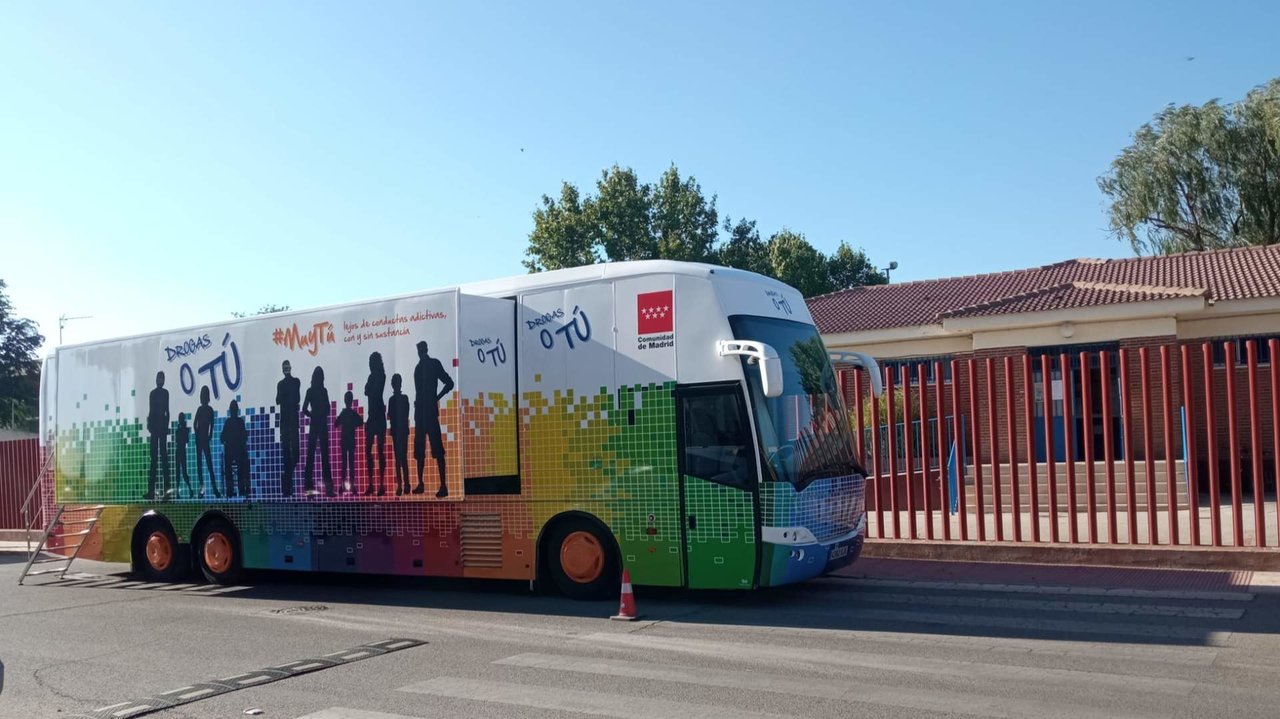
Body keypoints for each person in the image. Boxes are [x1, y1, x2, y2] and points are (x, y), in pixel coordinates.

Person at [411, 341, 455, 498]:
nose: (420, 353)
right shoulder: (421, 367)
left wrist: (437, 397)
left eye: (421, 350)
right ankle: (423, 483)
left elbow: (449, 382)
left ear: (423, 350)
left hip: (427, 413)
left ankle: (442, 485)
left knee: (435, 449)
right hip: (422, 414)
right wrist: (435, 398)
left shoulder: (429, 365)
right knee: (422, 450)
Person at [302, 366, 334, 497]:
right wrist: (321, 413)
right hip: (321, 424)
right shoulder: (323, 390)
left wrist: (312, 414)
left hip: (315, 423)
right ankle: (328, 490)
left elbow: (304, 409)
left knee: (311, 456)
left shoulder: (310, 391)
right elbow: (328, 407)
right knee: (324, 457)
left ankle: (309, 489)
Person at [276, 360, 301, 497]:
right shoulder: (281, 384)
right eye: (283, 367)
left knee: (296, 455)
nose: (285, 369)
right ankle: (287, 488)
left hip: (291, 422)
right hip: (285, 424)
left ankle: (286, 477)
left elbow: (296, 398)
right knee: (287, 457)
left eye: (287, 367)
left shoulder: (295, 382)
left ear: (290, 368)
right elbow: (278, 400)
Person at [363, 352, 387, 496]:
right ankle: (372, 484)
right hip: (372, 417)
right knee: (368, 450)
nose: (370, 364)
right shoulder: (372, 377)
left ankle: (382, 484)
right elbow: (367, 391)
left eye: (372, 362)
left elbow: (373, 392)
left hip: (378, 416)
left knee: (379, 450)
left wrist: (369, 390)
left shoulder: (380, 376)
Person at [144, 371, 170, 501]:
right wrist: (149, 424)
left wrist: (166, 426)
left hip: (161, 428)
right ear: (156, 380)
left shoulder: (165, 393)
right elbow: (151, 410)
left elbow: (167, 411)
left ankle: (167, 492)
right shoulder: (153, 393)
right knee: (154, 460)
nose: (160, 380)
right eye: (159, 378)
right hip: (155, 428)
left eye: (162, 378)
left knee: (163, 460)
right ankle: (151, 492)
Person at [334, 391, 363, 495]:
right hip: (350, 440)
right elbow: (361, 421)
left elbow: (336, 424)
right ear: (351, 401)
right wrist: (353, 424)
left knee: (344, 464)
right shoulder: (352, 413)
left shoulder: (344, 413)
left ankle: (342, 486)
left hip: (345, 441)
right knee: (350, 464)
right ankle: (352, 486)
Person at [220, 399, 250, 498]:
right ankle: (240, 489)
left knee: (231, 469)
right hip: (236, 452)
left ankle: (230, 490)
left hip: (231, 452)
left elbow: (222, 438)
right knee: (239, 467)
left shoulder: (229, 422)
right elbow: (245, 437)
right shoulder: (239, 422)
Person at [387, 373, 410, 496]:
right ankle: (404, 484)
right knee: (402, 459)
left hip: (398, 431)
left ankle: (403, 485)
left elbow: (390, 415)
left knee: (399, 459)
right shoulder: (404, 398)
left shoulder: (393, 400)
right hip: (400, 431)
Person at [193, 386, 218, 498]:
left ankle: (214, 488)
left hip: (204, 440)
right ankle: (202, 488)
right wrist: (197, 433)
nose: (203, 397)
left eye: (204, 395)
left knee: (209, 464)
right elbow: (194, 423)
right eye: (202, 395)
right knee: (199, 465)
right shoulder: (200, 409)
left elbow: (212, 425)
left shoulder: (209, 410)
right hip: (199, 440)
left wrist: (209, 435)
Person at [174, 412, 195, 498]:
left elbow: (185, 440)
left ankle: (190, 490)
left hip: (181, 451)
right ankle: (180, 492)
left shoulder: (184, 429)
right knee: (179, 472)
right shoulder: (181, 429)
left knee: (183, 472)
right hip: (179, 451)